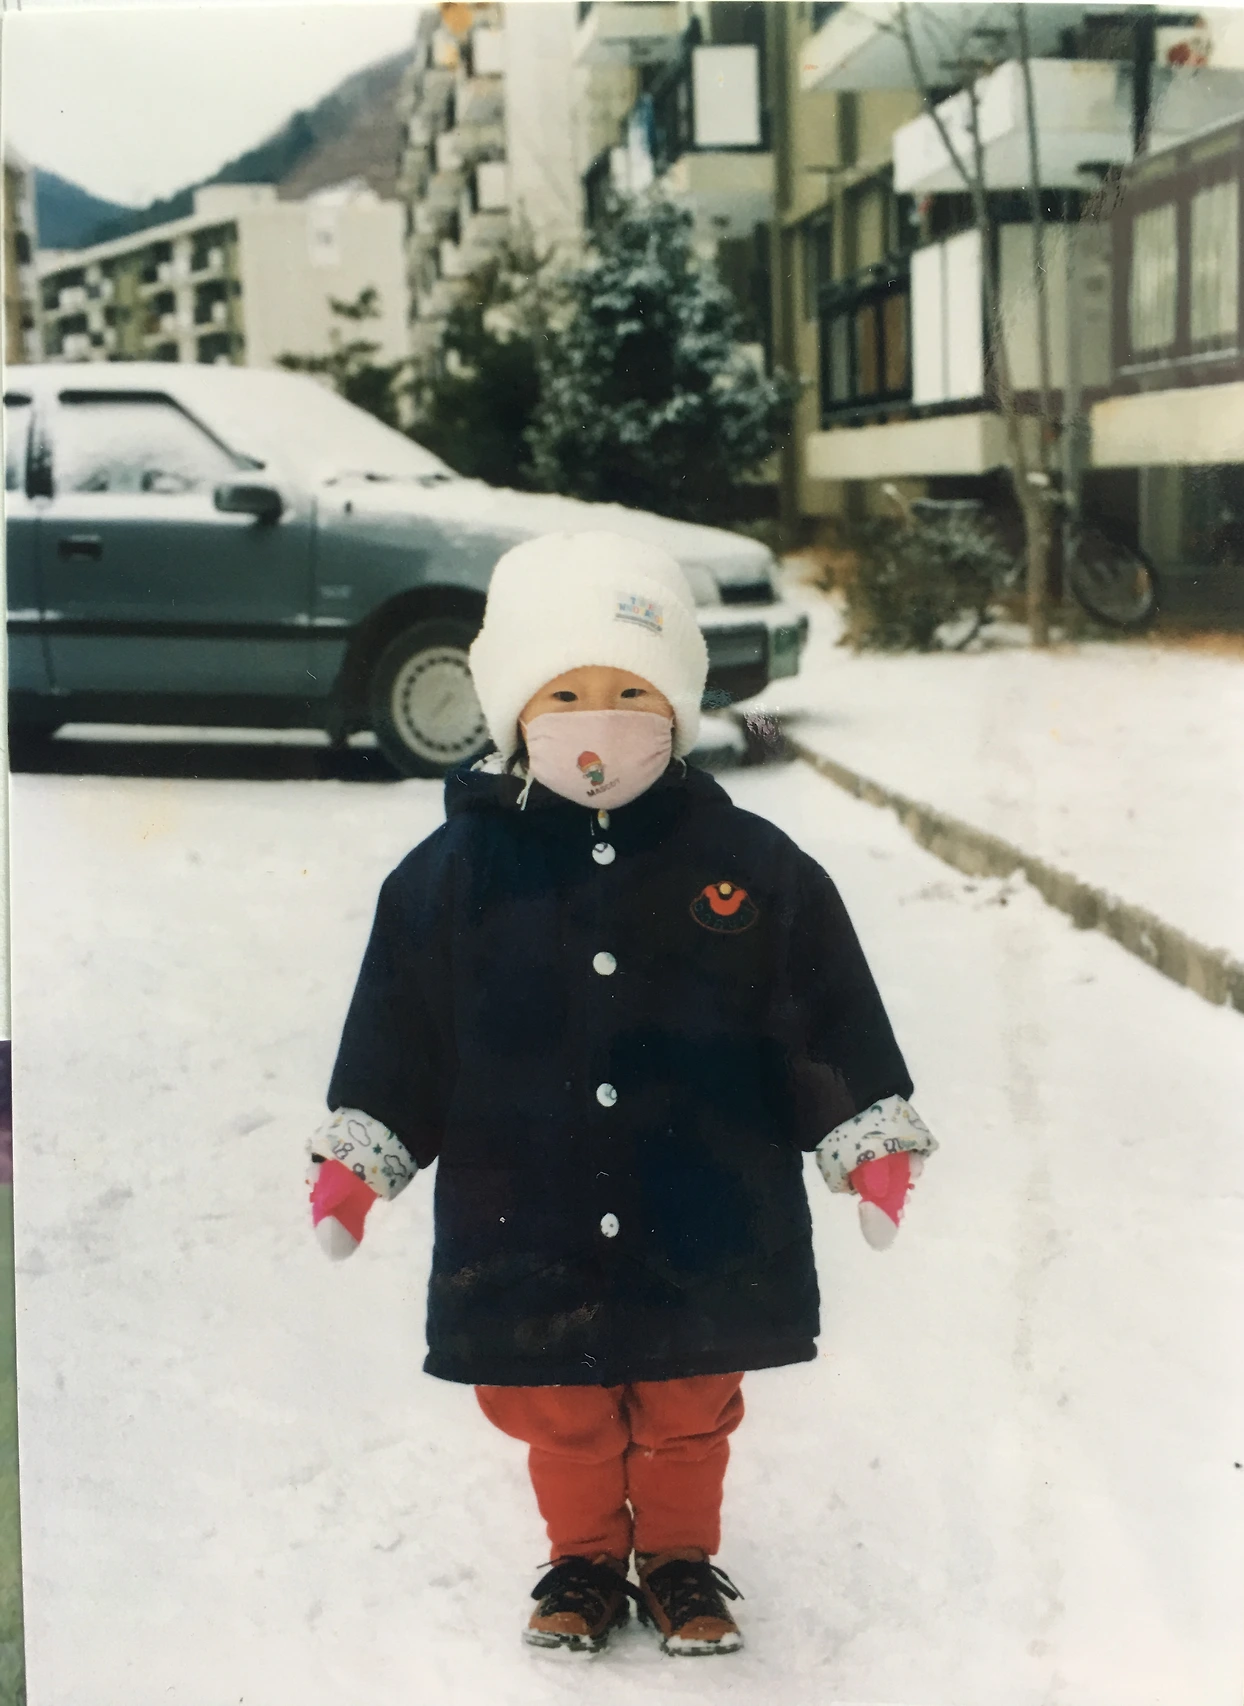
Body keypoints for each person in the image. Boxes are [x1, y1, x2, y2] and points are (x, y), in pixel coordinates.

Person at [307, 531, 938, 1658]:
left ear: (677, 706)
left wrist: (863, 1130)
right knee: (558, 1396)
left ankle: (680, 1556)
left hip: (705, 1198)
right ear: (514, 710)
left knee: (690, 1390)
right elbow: (404, 1031)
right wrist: (361, 1158)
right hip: (527, 1203)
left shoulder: (750, 864)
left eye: (631, 691)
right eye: (564, 693)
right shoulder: (450, 879)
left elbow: (819, 1003)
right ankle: (585, 1557)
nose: (598, 718)